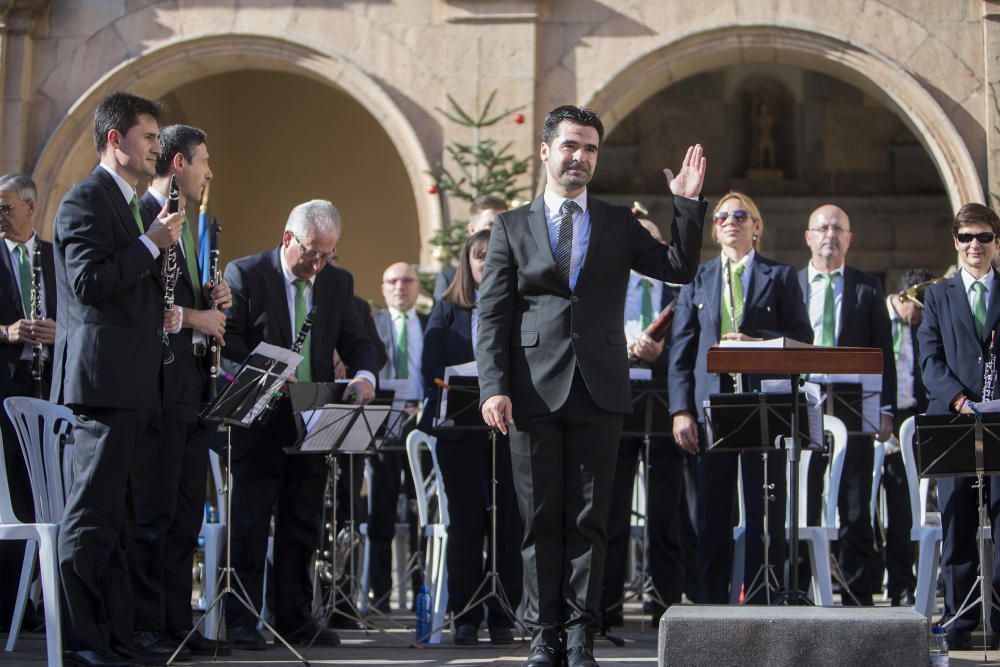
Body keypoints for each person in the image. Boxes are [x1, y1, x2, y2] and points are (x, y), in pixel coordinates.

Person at [477, 105, 707, 667]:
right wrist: (493, 386)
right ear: (546, 152)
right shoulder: (510, 226)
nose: (580, 157)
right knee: (539, 520)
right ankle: (542, 634)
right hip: (530, 391)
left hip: (600, 388)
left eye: (590, 149)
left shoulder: (616, 223)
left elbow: (677, 265)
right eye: (571, 146)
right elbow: (492, 315)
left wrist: (687, 203)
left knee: (589, 519)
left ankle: (580, 636)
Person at [52, 91, 184, 667]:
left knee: (124, 518)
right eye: (150, 138)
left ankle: (117, 635)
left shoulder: (130, 205)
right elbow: (86, 284)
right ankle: (81, 638)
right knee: (94, 514)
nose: (158, 148)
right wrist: (151, 243)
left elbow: (129, 288)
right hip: (102, 383)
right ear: (115, 140)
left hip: (135, 383)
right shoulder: (85, 200)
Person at [221, 199, 379, 650]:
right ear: (288, 237)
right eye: (311, 252)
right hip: (261, 415)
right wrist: (266, 368)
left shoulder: (337, 281)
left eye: (327, 254)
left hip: (316, 411)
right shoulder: (246, 274)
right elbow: (227, 340)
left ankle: (293, 616)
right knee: (251, 523)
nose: (317, 263)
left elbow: (359, 340)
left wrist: (364, 377)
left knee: (303, 520)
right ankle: (242, 619)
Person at [669, 192, 812, 604]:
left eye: (740, 215)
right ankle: (710, 603)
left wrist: (757, 342)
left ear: (756, 226)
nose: (731, 221)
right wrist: (681, 409)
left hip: (761, 406)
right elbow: (682, 349)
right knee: (710, 513)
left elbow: (803, 339)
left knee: (763, 508)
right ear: (714, 229)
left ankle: (762, 597)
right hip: (711, 408)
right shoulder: (698, 279)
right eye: (722, 217)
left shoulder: (780, 277)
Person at [130, 124, 231, 657]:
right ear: (177, 164)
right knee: (155, 510)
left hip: (196, 385)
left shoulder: (196, 225)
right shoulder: (143, 218)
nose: (209, 172)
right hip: (159, 383)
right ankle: (146, 623)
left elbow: (186, 300)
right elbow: (150, 308)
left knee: (187, 511)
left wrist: (216, 300)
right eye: (203, 161)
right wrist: (197, 315)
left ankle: (176, 622)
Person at [421, 230, 522, 645]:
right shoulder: (447, 309)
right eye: (480, 257)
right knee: (467, 522)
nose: (486, 263)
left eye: (494, 256)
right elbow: (431, 369)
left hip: (510, 433)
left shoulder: (520, 307)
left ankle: (503, 614)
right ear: (468, 263)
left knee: (509, 523)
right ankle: (465, 614)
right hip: (460, 434)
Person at [799, 204, 895, 606]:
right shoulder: (790, 283)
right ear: (808, 237)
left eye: (838, 229)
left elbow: (883, 350)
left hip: (854, 402)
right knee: (801, 496)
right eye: (822, 228)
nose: (830, 235)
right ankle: (800, 585)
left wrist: (886, 408)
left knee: (855, 498)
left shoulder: (866, 286)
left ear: (849, 239)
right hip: (803, 402)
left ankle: (858, 590)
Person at [918, 203, 1000, 650]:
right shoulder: (937, 295)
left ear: (996, 243)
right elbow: (929, 359)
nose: (975, 245)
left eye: (984, 237)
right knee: (957, 519)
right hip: (953, 420)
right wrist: (959, 399)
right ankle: (959, 614)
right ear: (955, 241)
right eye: (967, 237)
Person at [600, 217, 683, 627]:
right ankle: (607, 606)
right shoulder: (608, 286)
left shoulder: (676, 291)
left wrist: (659, 356)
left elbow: (686, 349)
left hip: (663, 405)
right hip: (616, 401)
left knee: (664, 513)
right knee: (612, 510)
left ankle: (663, 604)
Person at [0, 174, 56, 632]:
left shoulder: (54, 257)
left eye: (5, 207)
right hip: (4, 391)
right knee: (11, 499)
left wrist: (59, 334)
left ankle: (36, 600)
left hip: (47, 389)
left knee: (46, 497)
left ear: (30, 207)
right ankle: (6, 603)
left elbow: (81, 320)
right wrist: (6, 332)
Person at [368, 261, 426, 613]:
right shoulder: (372, 326)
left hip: (421, 427)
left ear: (418, 286)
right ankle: (381, 597)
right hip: (383, 427)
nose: (400, 286)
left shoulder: (431, 324)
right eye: (392, 280)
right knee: (381, 515)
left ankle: (423, 594)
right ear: (383, 287)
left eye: (407, 280)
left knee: (422, 513)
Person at [877, 268, 933, 607]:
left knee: (902, 504)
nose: (922, 314)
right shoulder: (880, 318)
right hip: (878, 416)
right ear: (902, 297)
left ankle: (902, 583)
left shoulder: (919, 327)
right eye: (918, 306)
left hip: (911, 417)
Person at [433, 194, 508, 300]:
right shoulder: (449, 281)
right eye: (491, 225)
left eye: (504, 225)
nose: (499, 232)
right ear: (472, 230)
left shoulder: (518, 275)